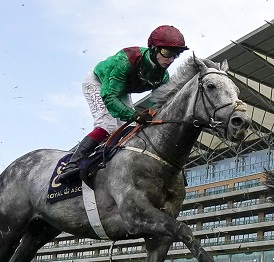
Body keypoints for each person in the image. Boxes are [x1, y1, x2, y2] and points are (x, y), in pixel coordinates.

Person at [72, 26, 192, 171]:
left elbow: (162, 104)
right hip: (98, 82)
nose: (171, 59)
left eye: (176, 55)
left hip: (121, 90)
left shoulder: (163, 76)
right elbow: (110, 97)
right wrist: (134, 114)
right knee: (107, 125)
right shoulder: (124, 60)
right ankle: (73, 163)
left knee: (131, 129)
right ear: (153, 48)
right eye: (166, 53)